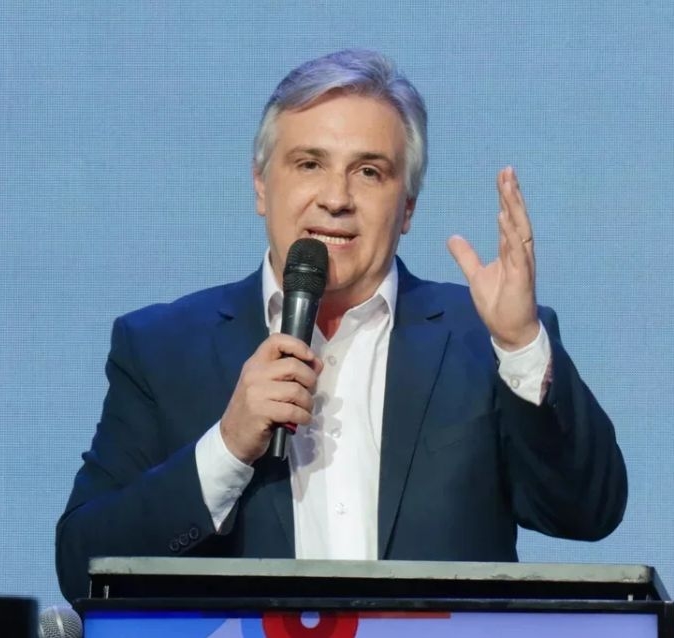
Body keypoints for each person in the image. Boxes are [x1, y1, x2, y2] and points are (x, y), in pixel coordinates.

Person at [55, 49, 627, 602]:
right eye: (309, 164)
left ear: (407, 208)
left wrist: (520, 344)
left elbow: (588, 512)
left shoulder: (482, 339)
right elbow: (84, 566)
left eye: (369, 172)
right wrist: (227, 448)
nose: (336, 198)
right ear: (261, 185)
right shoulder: (162, 348)